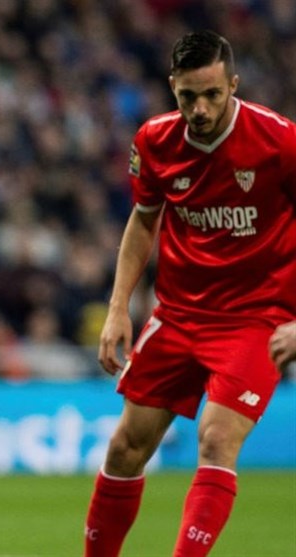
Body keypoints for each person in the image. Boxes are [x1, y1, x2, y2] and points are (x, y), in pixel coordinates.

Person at [83, 30, 296, 557]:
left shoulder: (279, 142)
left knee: (216, 439)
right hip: (178, 316)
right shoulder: (154, 141)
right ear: (172, 86)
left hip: (256, 319)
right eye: (188, 96)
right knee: (125, 448)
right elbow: (143, 221)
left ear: (233, 85)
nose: (200, 109)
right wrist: (118, 308)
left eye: (212, 95)